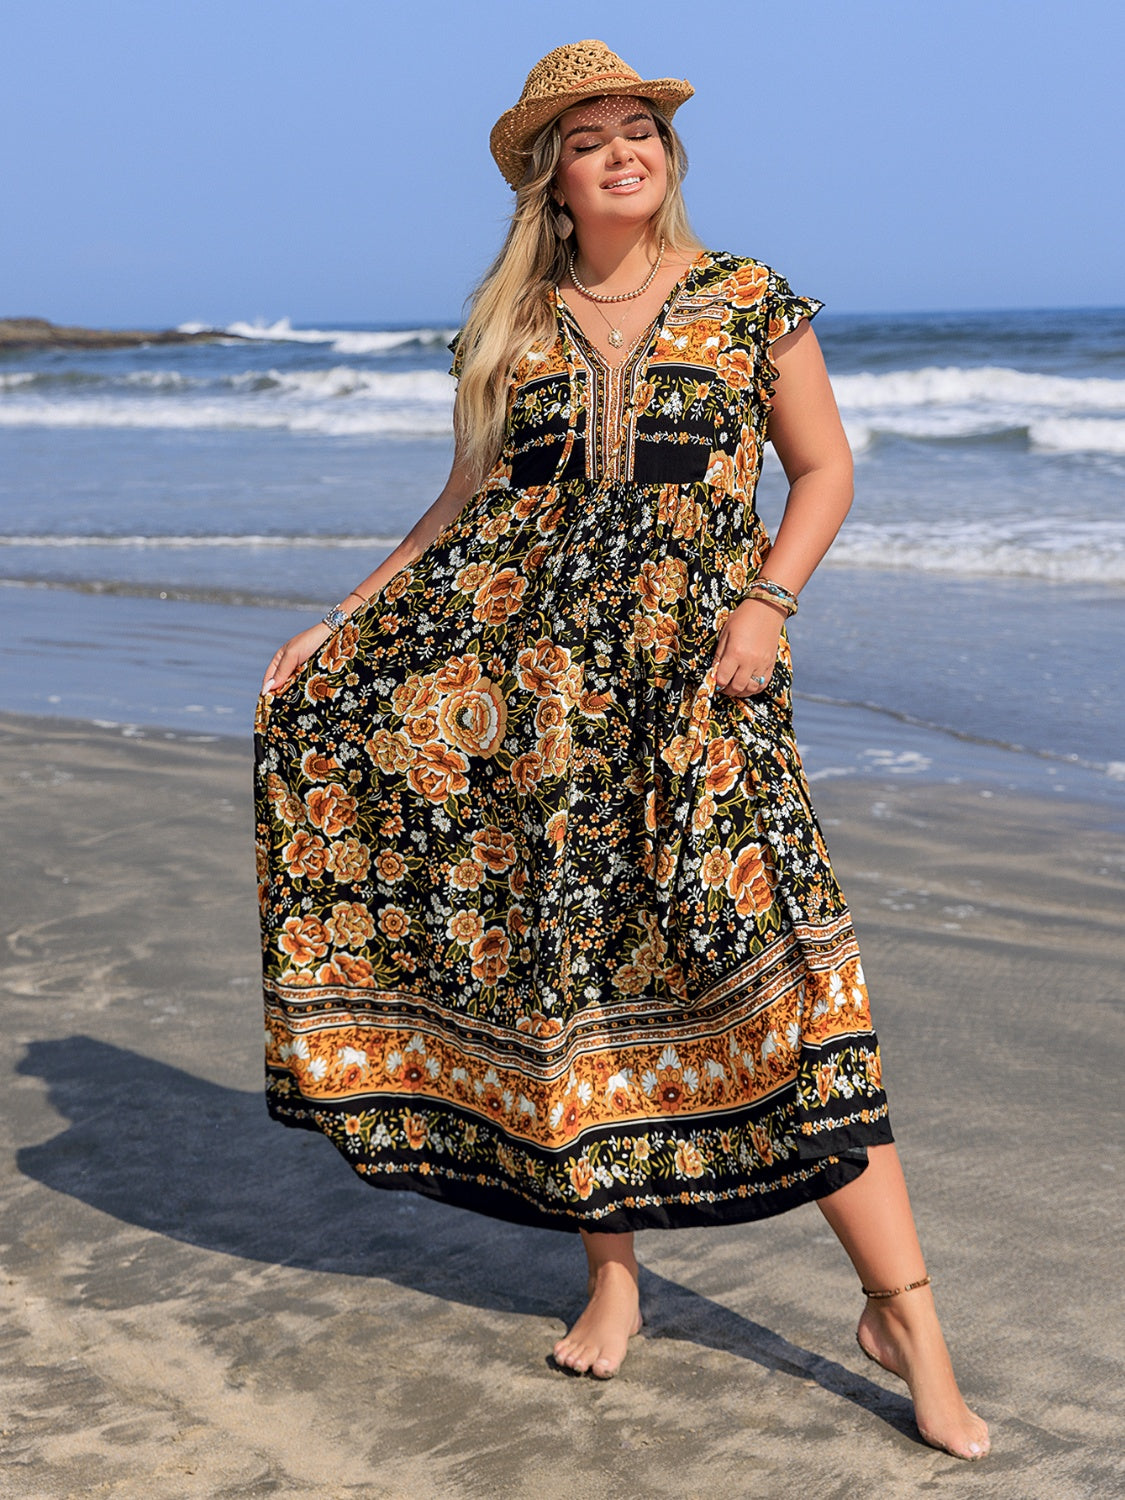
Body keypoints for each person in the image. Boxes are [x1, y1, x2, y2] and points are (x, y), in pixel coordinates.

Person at [255, 40, 989, 1460]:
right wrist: (342, 623)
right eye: (589, 139)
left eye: (637, 128)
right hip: (541, 703)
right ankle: (612, 1276)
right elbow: (464, 508)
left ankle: (907, 1317)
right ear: (554, 176)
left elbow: (823, 468)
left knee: (783, 989)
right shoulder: (512, 328)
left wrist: (769, 601)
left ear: (668, 154)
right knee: (571, 974)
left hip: (702, 688)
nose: (621, 152)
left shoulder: (748, 297)